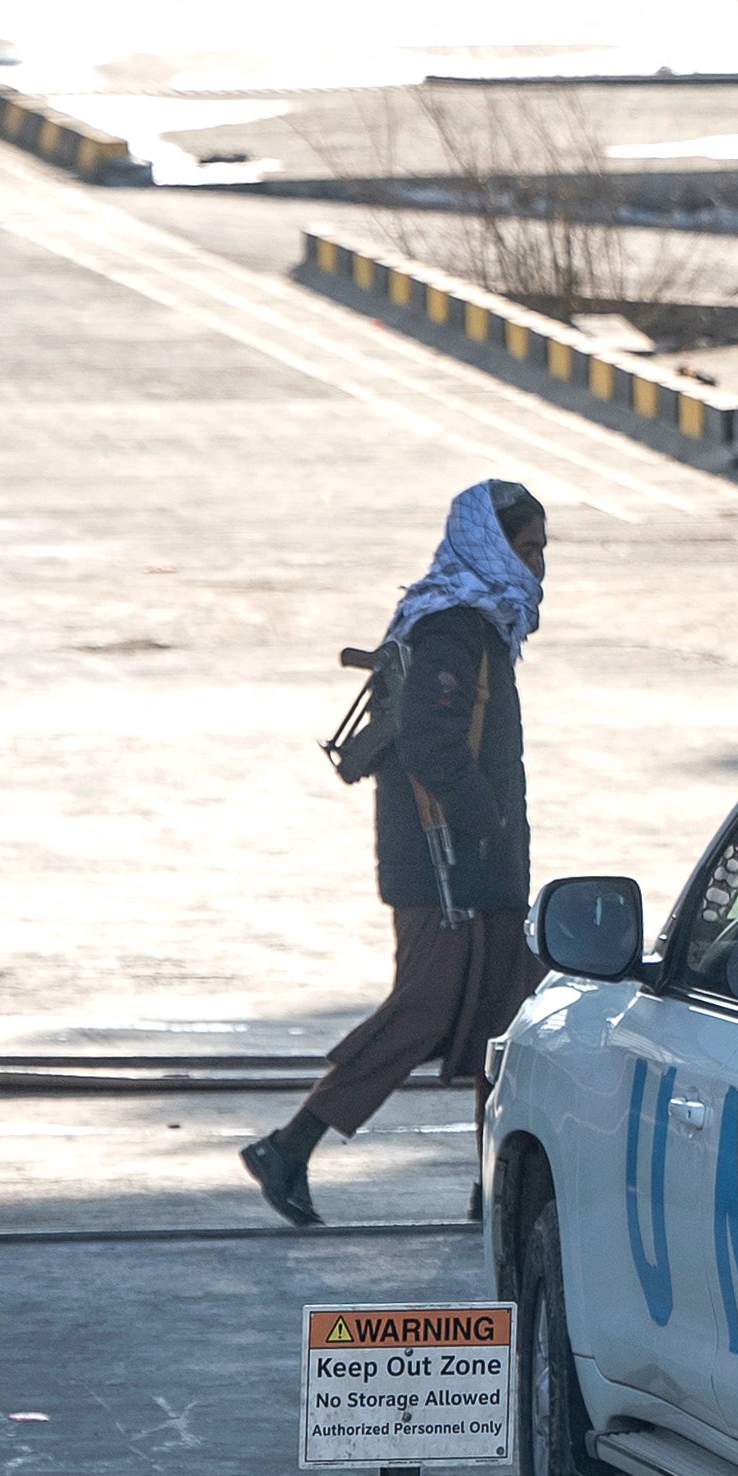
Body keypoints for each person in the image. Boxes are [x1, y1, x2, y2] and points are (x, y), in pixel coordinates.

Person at [242, 480, 551, 1225]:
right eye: (527, 548)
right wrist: (487, 826)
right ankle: (290, 1146)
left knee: (504, 1025)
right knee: (425, 1010)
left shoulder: (480, 622)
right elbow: (432, 747)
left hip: (480, 869)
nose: (539, 567)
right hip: (444, 868)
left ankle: (494, 1191)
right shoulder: (450, 627)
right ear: (490, 545)